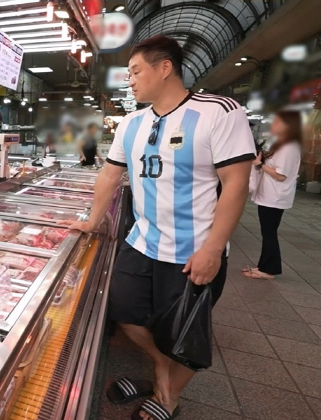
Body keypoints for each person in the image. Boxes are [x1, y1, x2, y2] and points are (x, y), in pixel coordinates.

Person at [67, 35, 255, 420]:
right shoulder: (132, 122)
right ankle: (160, 371)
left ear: (164, 67)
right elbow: (109, 174)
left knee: (184, 330)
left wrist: (212, 249)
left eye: (135, 71)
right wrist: (91, 219)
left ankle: (167, 397)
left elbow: (237, 183)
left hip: (194, 249)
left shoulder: (218, 111)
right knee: (124, 313)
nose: (130, 81)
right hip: (141, 242)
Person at [244, 111, 302, 280]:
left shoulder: (289, 147)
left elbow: (281, 175)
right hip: (269, 195)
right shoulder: (281, 144)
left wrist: (259, 164)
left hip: (275, 196)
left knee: (269, 233)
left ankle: (269, 270)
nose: (273, 125)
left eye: (277, 122)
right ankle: (263, 266)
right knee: (267, 232)